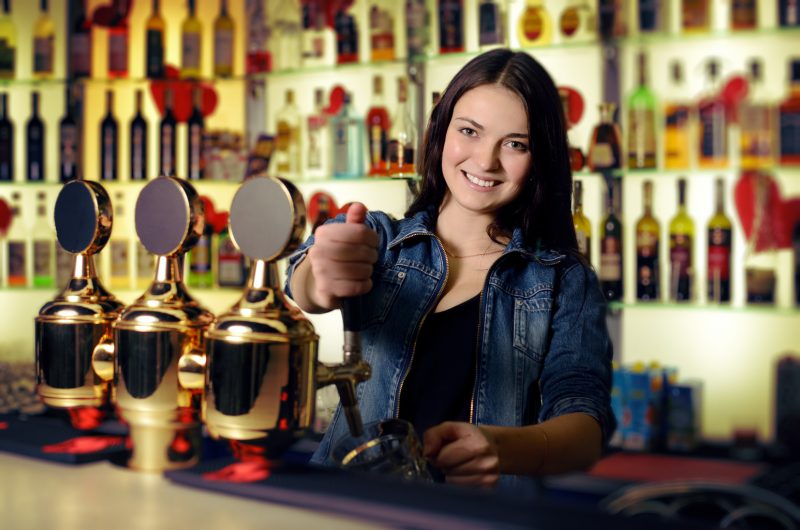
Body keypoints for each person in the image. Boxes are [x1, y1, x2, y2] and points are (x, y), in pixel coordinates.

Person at [285, 48, 615, 492]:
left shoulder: (563, 281)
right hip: (350, 508)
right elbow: (304, 281)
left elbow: (584, 428)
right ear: (441, 132)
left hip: (480, 517)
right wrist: (323, 270)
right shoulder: (381, 240)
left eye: (515, 144)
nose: (485, 161)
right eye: (470, 132)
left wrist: (500, 447)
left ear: (541, 159)